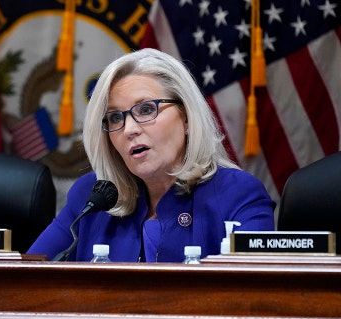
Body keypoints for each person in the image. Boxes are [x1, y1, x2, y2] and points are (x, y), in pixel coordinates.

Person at [27, 48, 275, 262]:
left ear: (186, 117)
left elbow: (255, 301)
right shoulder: (90, 199)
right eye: (115, 117)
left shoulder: (238, 194)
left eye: (146, 110)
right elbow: (23, 283)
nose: (129, 129)